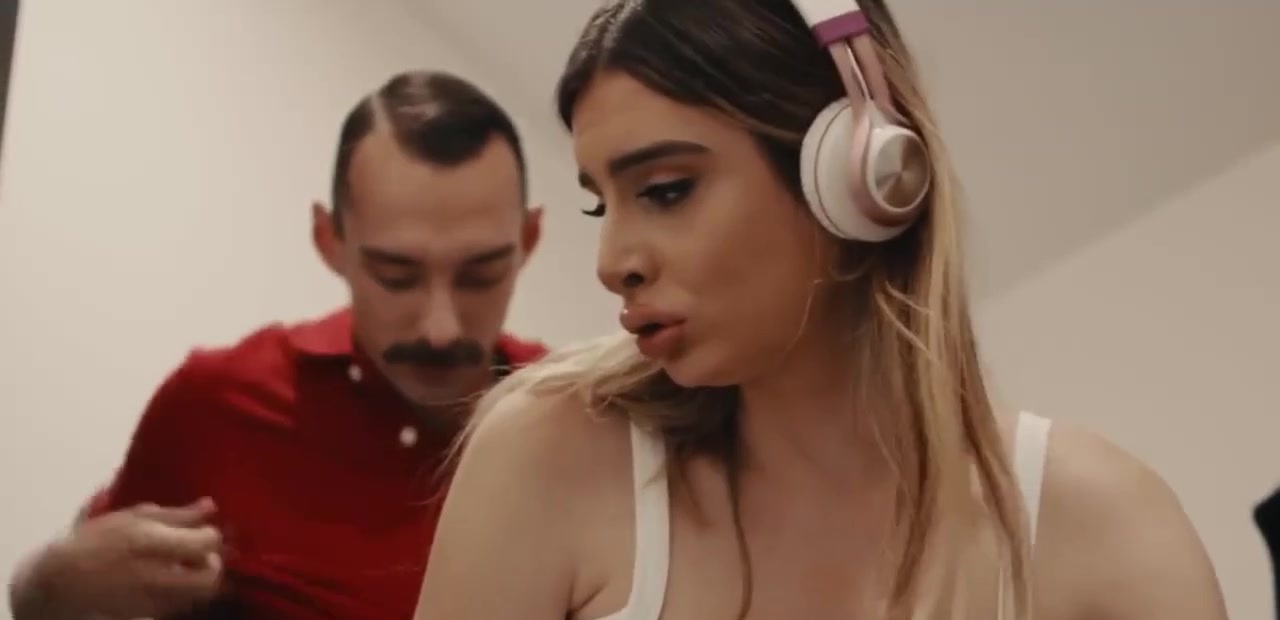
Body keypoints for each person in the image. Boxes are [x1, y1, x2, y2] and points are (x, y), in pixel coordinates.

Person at [413, 1, 1227, 619]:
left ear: (857, 181)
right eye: (603, 204)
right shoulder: (549, 457)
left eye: (665, 191)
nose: (613, 261)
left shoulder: (1107, 531)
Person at [8, 70, 547, 620]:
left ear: (529, 240)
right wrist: (52, 582)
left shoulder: (577, 421)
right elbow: (74, 594)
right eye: (396, 275)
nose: (441, 328)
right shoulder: (213, 405)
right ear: (329, 240)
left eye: (481, 274)